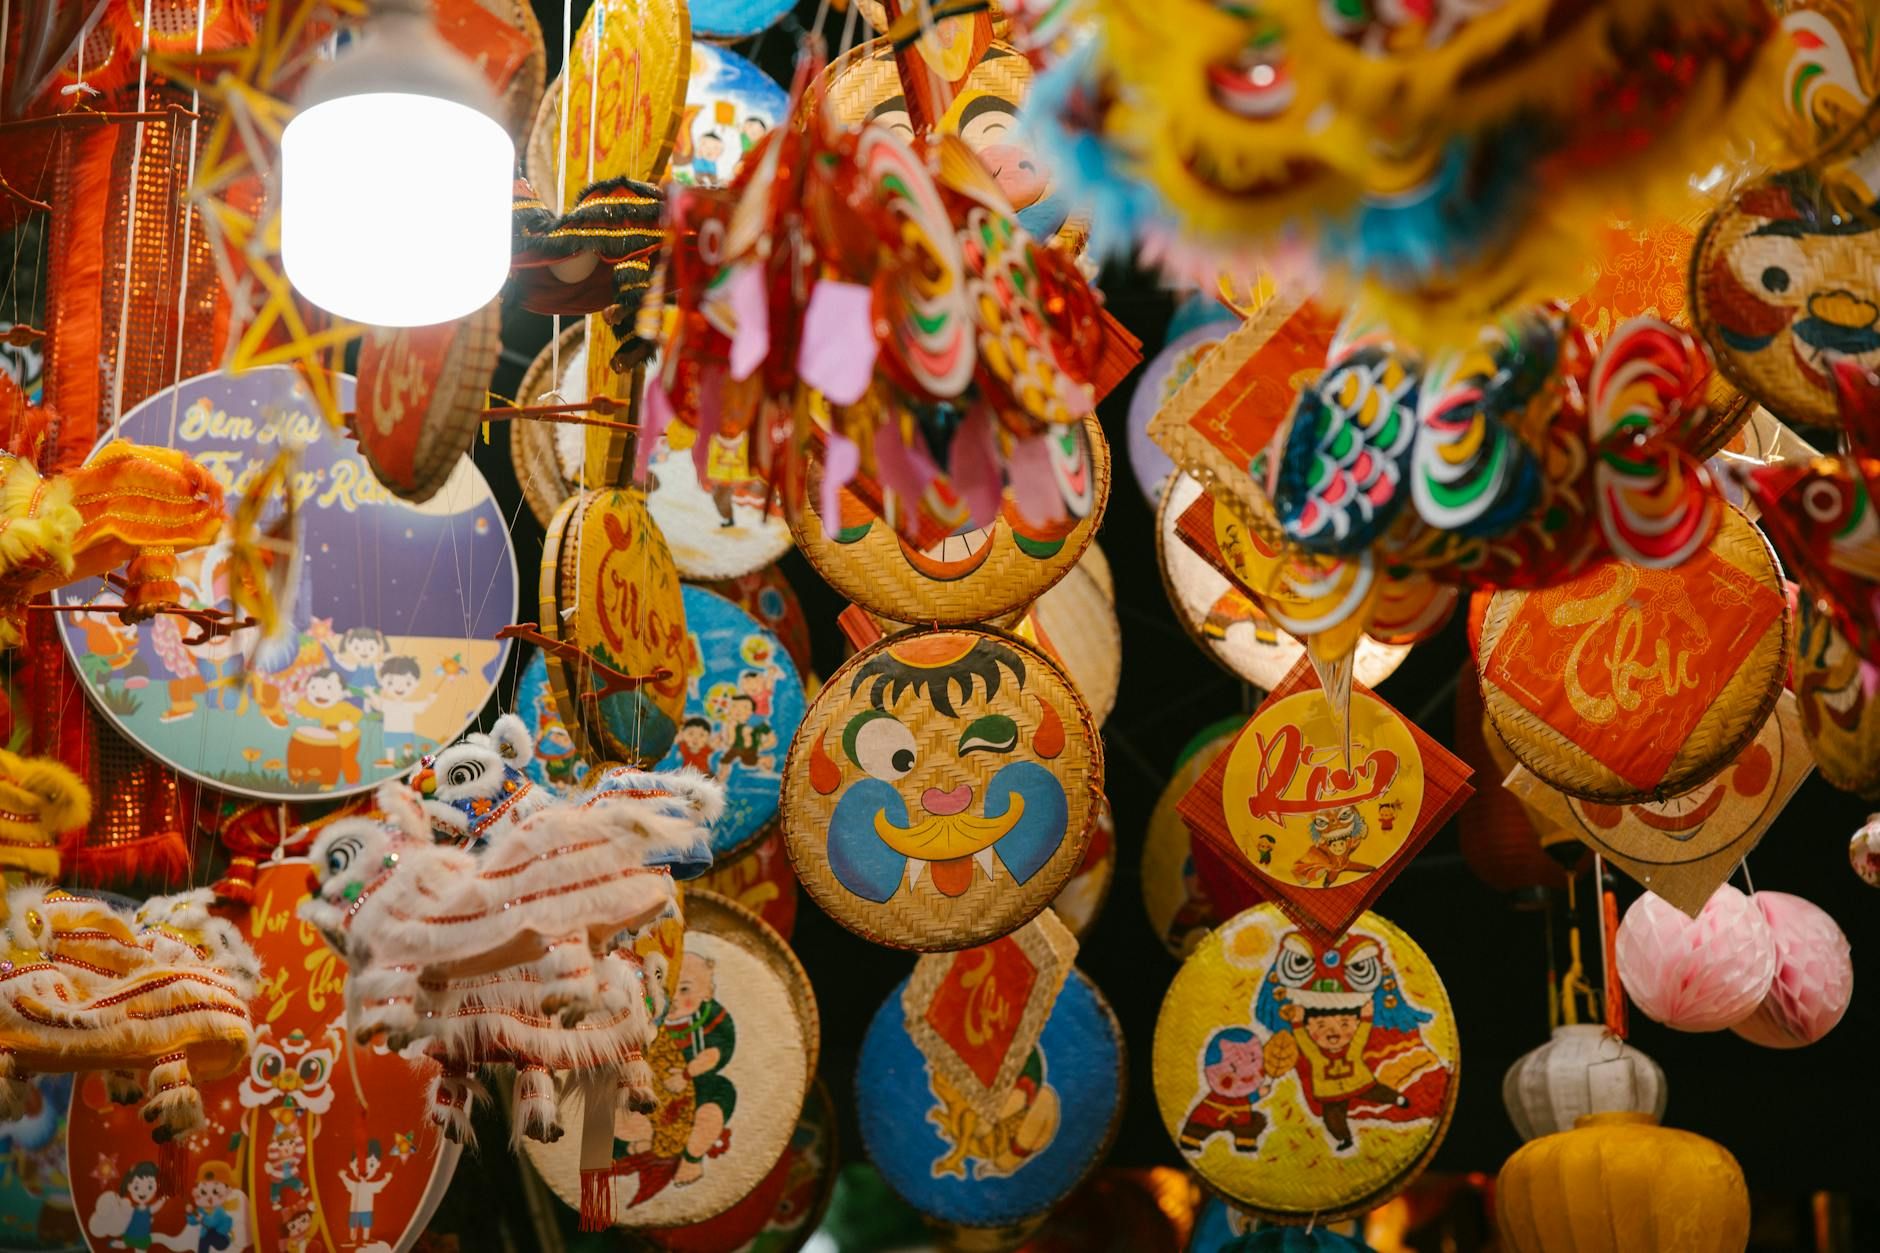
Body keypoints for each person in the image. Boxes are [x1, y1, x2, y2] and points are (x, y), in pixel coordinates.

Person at [1279, 1000, 1409, 1152]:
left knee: (1377, 1092)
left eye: (1344, 1024)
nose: (1332, 1032)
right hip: (1330, 1093)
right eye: (1321, 1026)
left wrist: (1366, 1017)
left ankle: (1397, 1099)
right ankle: (1344, 1138)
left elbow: (1362, 1034)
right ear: (1309, 1028)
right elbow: (1304, 1042)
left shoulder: (1353, 1048)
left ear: (1355, 1023)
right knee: (1332, 1118)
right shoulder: (1315, 1055)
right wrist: (1297, 1023)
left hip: (1359, 1082)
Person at [1179, 1027, 1271, 1155]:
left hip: (1240, 1112)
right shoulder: (1217, 1091)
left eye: (1253, 1061)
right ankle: (1190, 1139)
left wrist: (1259, 1093)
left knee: (1246, 1124)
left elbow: (1249, 1097)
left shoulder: (1243, 1093)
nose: (1246, 1073)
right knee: (1202, 1121)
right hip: (1214, 1110)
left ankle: (1244, 1142)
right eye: (1233, 1067)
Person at [368, 656, 435, 767]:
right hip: (390, 730)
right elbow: (378, 704)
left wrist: (430, 700)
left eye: (407, 683)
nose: (399, 687)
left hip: (406, 730)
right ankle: (390, 760)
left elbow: (422, 707)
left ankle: (407, 759)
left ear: (416, 683)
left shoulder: (409, 706)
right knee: (390, 745)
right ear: (382, 682)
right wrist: (371, 694)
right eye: (391, 683)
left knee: (407, 746)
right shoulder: (387, 704)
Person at [339, 1141, 393, 1243]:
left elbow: (379, 1185)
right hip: (354, 1210)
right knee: (353, 1225)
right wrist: (343, 1177)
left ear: (378, 1165)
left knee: (366, 1224)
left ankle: (366, 1238)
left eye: (371, 1164)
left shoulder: (370, 1186)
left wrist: (387, 1179)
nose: (365, 1168)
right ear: (351, 1165)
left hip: (367, 1209)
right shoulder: (355, 1185)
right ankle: (352, 1238)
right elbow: (348, 1183)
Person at [183, 1161, 238, 1253]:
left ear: (227, 1191)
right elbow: (192, 1221)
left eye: (215, 1192)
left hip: (222, 1239)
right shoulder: (202, 1210)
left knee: (206, 1236)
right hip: (209, 1237)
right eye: (204, 1192)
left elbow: (211, 1223)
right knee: (204, 1237)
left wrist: (201, 1218)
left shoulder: (219, 1210)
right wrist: (190, 1213)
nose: (209, 1198)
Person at [114, 1162, 164, 1251]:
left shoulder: (148, 1209)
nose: (143, 1191)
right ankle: (123, 1244)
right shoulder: (134, 1209)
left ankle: (125, 1244)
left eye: (149, 1187)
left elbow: (156, 1207)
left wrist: (162, 1199)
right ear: (129, 1186)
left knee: (141, 1248)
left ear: (156, 1186)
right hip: (131, 1233)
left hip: (143, 1236)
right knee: (128, 1242)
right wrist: (119, 1201)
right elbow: (126, 1210)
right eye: (136, 1187)